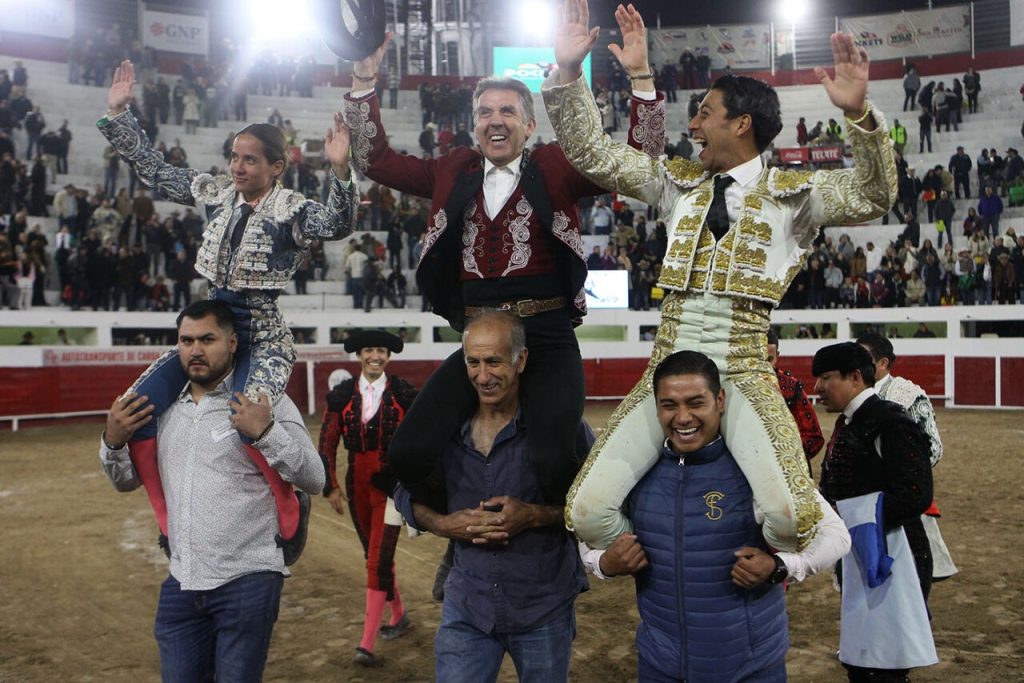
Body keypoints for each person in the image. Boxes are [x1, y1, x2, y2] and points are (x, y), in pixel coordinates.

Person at [546, 1, 896, 552]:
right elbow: (592, 153)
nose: (693, 125)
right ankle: (673, 554)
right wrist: (570, 71)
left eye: (705, 113)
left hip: (745, 370)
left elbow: (874, 195)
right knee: (587, 514)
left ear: (741, 123)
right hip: (669, 364)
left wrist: (860, 117)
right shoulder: (675, 183)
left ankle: (729, 550)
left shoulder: (795, 195)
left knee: (790, 519)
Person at [342, 32, 633, 514]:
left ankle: (572, 530)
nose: (495, 120)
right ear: (473, 124)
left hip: (547, 335)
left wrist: (640, 80)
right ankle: (463, 525)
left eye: (507, 111)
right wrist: (364, 78)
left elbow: (637, 159)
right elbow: (375, 160)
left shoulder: (556, 166)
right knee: (408, 452)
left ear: (529, 124)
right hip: (480, 340)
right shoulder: (453, 169)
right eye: (485, 112)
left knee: (553, 459)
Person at [98, 59, 356, 561]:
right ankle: (169, 522)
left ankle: (290, 509)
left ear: (276, 167)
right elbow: (157, 172)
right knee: (136, 407)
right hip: (210, 329)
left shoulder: (291, 210)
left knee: (248, 419)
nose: (237, 167)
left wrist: (341, 172)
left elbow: (338, 224)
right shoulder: (218, 195)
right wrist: (120, 115)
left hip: (262, 338)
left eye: (250, 160)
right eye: (235, 157)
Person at [581, 350, 850, 682]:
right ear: (656, 407)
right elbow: (584, 533)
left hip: (748, 667)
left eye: (696, 403)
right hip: (661, 664)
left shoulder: (758, 468)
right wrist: (603, 563)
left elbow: (837, 535)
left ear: (719, 401)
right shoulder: (633, 474)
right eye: (669, 405)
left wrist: (779, 567)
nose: (683, 418)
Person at [98, 299, 325, 681]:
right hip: (182, 580)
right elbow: (124, 483)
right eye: (186, 341)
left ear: (232, 343)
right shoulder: (160, 409)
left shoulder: (266, 401)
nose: (195, 350)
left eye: (207, 339)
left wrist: (267, 432)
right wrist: (113, 441)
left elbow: (314, 478)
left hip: (248, 579)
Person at [393, 310, 590, 683]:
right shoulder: (442, 431)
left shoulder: (561, 429)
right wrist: (443, 524)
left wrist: (533, 515)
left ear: (521, 360)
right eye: (473, 363)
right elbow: (403, 492)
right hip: (468, 607)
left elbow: (593, 505)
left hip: (543, 609)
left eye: (494, 362)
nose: (483, 376)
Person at [812, 342, 937, 682]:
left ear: (855, 377)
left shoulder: (889, 421)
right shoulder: (856, 420)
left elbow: (915, 494)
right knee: (864, 661)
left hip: (895, 554)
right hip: (865, 549)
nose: (817, 388)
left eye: (826, 377)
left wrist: (849, 516)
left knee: (882, 666)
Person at [318, 330, 417, 666]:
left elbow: (422, 437)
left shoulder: (403, 393)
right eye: (369, 350)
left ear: (389, 356)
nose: (376, 356)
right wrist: (331, 485)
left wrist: (412, 480)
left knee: (377, 561)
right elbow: (327, 441)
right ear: (359, 355)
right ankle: (399, 613)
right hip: (357, 485)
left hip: (390, 488)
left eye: (382, 351)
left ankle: (366, 644)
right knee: (374, 557)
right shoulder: (343, 394)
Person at [857, 332, 957, 581]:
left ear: (883, 363)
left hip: (902, 503)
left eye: (863, 358)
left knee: (909, 579)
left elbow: (933, 448)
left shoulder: (908, 395)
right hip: (861, 504)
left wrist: (898, 478)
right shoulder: (853, 394)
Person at [766, 329, 824, 466]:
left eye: (769, 359)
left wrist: (785, 457)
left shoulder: (791, 386)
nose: (765, 366)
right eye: (759, 360)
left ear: (777, 356)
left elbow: (813, 436)